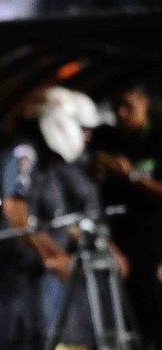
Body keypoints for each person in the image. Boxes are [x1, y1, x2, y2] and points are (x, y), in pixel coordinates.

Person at [0, 86, 125, 349]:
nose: (87, 137)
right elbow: (15, 211)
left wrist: (104, 248)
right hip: (7, 282)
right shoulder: (25, 154)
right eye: (83, 129)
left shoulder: (51, 164)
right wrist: (53, 255)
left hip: (33, 281)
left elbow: (63, 217)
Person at [90, 84, 162, 349]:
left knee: (152, 305)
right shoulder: (105, 137)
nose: (121, 113)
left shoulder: (157, 137)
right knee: (117, 310)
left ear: (145, 104)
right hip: (114, 236)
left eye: (128, 106)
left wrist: (131, 175)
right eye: (116, 107)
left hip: (152, 238)